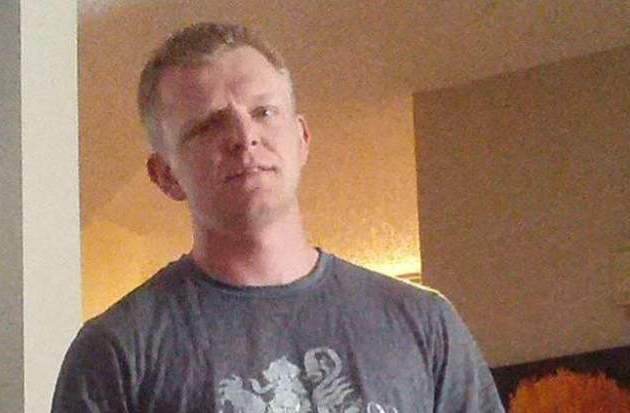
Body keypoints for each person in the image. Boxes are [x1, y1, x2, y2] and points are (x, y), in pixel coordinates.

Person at [51, 22, 505, 413]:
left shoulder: (425, 324)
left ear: (302, 137)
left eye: (264, 112)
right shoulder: (117, 351)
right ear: (165, 174)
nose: (244, 136)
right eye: (208, 125)